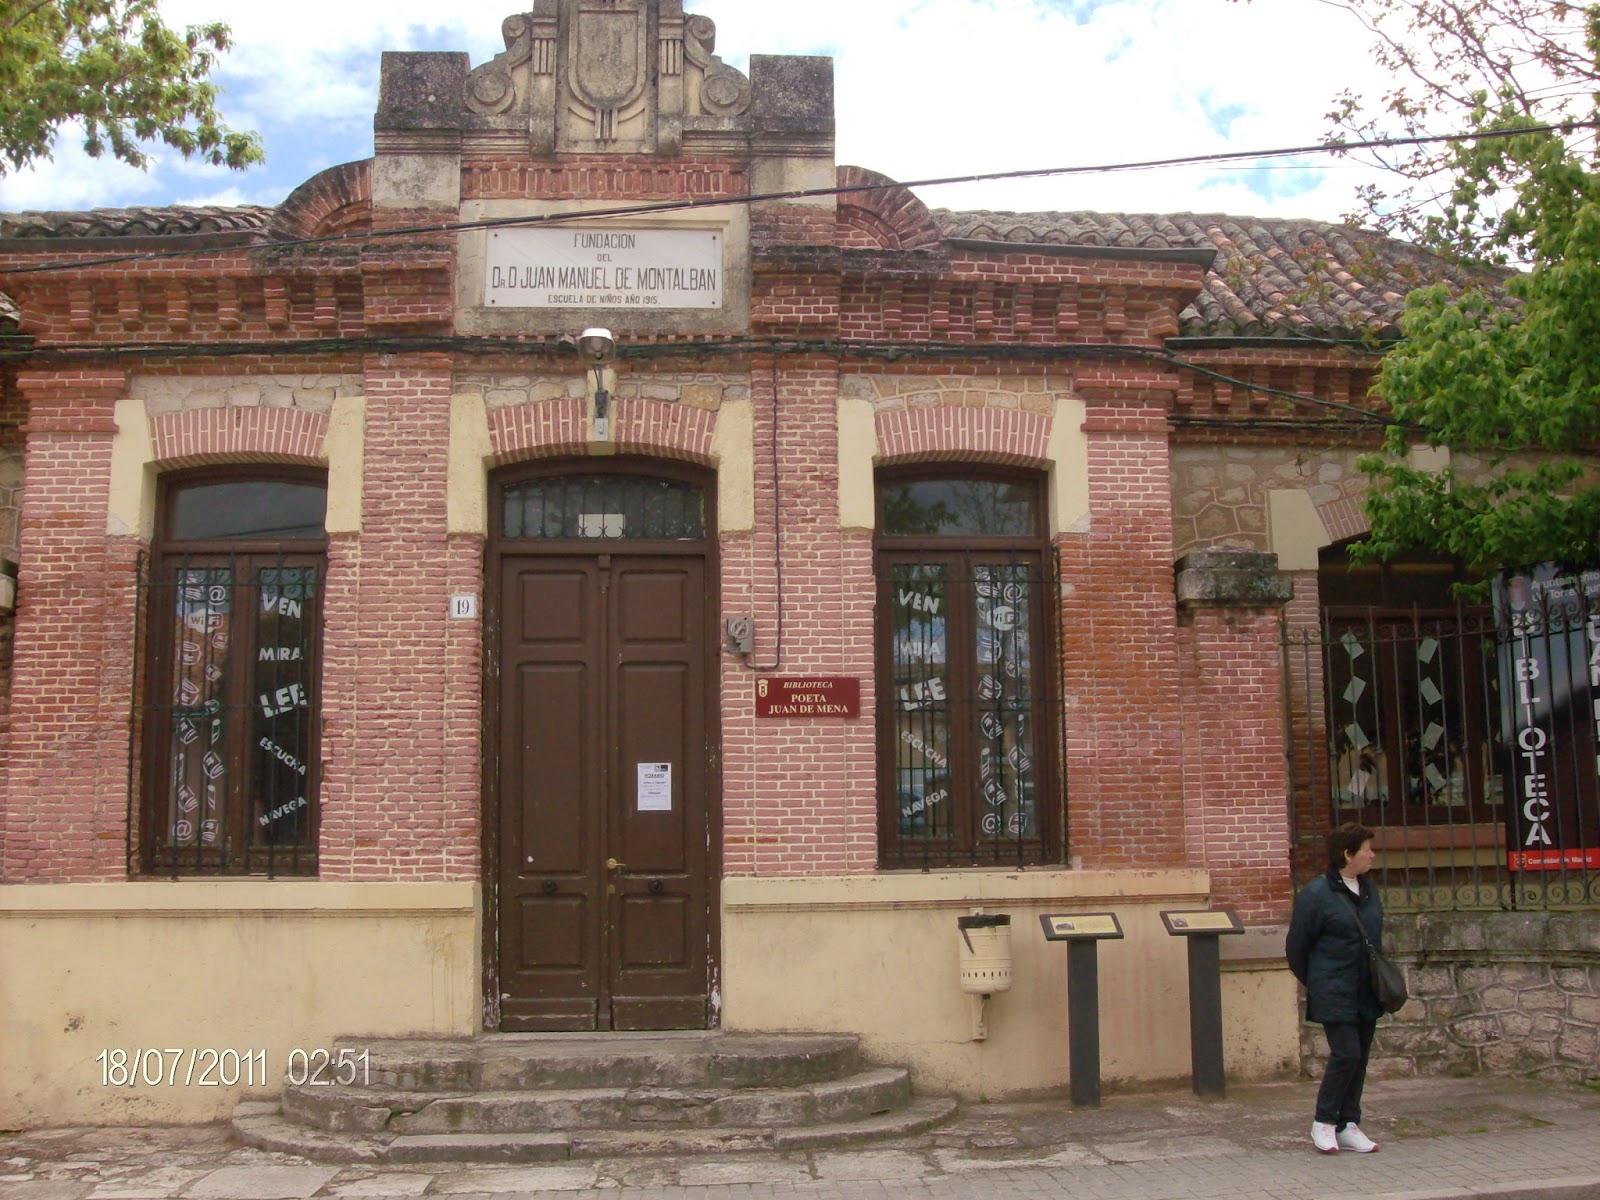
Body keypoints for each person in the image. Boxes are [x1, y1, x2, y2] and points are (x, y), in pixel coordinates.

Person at [1285, 822, 1384, 1154]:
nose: (1372, 854)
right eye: (1366, 849)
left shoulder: (1369, 890)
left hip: (1366, 989)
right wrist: (1318, 981)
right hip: (1334, 988)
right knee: (1346, 1054)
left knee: (1361, 1058)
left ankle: (1348, 1123)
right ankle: (1324, 1122)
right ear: (1347, 854)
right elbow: (1298, 947)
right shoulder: (1315, 895)